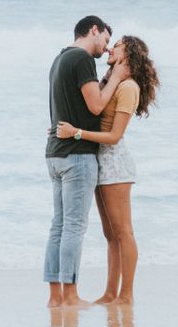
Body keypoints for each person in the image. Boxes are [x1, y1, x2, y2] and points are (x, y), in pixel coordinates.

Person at [55, 35, 159, 305]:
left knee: (124, 232)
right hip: (101, 161)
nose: (111, 48)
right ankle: (110, 293)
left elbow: (114, 136)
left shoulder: (128, 88)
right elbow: (94, 109)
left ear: (128, 54)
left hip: (115, 163)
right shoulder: (114, 83)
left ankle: (127, 295)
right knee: (110, 235)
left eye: (118, 46)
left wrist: (75, 133)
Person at [44, 16, 128, 309]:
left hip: (54, 153)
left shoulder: (60, 59)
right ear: (94, 30)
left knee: (59, 225)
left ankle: (55, 297)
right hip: (77, 154)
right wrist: (116, 78)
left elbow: (72, 106)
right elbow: (95, 105)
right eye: (106, 39)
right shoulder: (82, 59)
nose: (106, 49)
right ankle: (70, 296)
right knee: (74, 227)